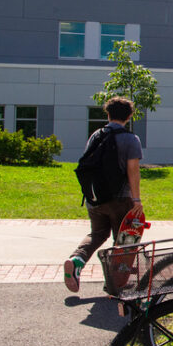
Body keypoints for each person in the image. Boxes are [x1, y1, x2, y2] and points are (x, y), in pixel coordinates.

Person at [64, 97, 144, 293]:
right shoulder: (130, 139)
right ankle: (115, 284)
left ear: (107, 114)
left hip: (95, 198)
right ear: (130, 116)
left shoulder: (96, 135)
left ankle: (77, 260)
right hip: (120, 199)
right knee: (125, 241)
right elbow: (133, 171)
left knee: (97, 234)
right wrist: (136, 200)